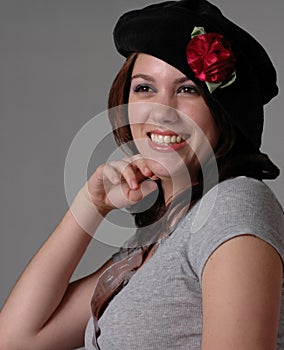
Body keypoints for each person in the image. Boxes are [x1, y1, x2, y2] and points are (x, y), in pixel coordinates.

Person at [0, 0, 283, 349]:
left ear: (223, 113)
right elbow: (17, 338)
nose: (161, 111)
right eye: (145, 88)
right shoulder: (162, 233)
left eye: (187, 89)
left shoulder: (232, 205)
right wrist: (91, 205)